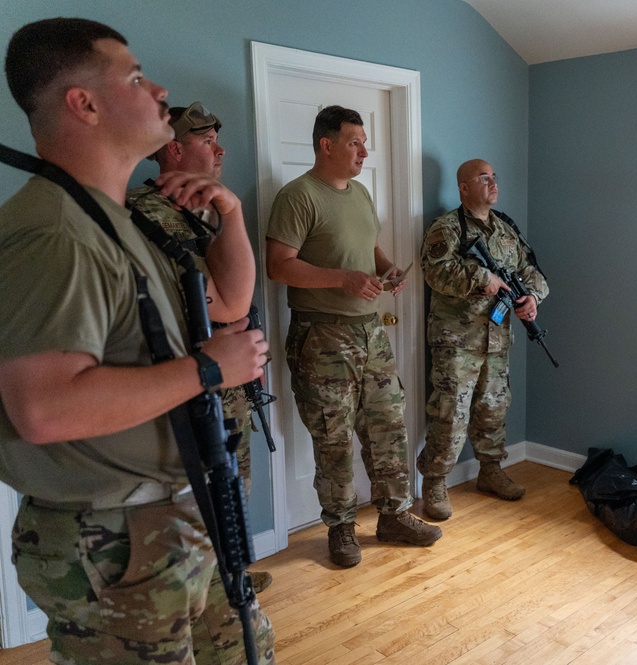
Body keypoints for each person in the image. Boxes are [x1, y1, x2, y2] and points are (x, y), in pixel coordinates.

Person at [0, 17, 274, 664]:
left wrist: (229, 212)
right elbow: (44, 407)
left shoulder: (118, 221)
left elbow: (229, 303)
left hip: (176, 516)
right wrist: (207, 371)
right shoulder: (56, 235)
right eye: (134, 76)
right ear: (84, 104)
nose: (159, 91)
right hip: (111, 540)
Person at [265, 105, 441, 568]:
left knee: (388, 429)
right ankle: (341, 528)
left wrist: (384, 267)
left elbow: (368, 246)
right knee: (334, 438)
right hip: (322, 338)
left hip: (371, 335)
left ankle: (394, 515)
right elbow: (278, 264)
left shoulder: (360, 193)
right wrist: (342, 279)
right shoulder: (298, 196)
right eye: (355, 142)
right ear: (327, 144)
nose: (365, 151)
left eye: (364, 141)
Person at [128, 102, 272, 594]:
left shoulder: (198, 213)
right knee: (205, 504)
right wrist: (231, 211)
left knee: (232, 489)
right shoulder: (149, 215)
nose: (220, 150)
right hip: (192, 390)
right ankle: (218, 591)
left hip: (223, 382)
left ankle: (229, 579)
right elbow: (229, 303)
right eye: (207, 141)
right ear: (173, 149)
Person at [417, 159, 549, 520]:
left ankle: (490, 471)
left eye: (494, 176)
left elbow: (531, 270)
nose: (492, 183)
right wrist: (481, 277)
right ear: (463, 187)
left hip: (497, 337)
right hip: (456, 340)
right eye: (483, 177)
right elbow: (436, 273)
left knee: (493, 407)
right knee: (451, 413)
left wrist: (531, 298)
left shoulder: (506, 228)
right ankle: (435, 482)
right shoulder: (447, 228)